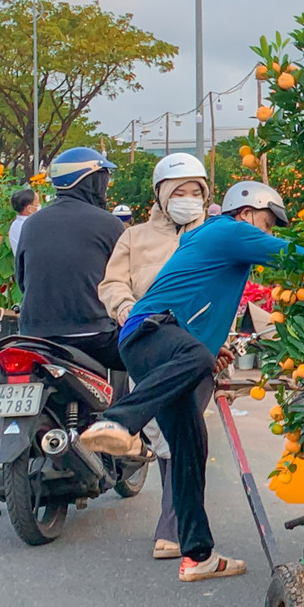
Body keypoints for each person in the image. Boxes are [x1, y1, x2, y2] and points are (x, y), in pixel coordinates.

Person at [82, 181, 290, 582]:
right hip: (154, 331)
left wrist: (210, 349)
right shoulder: (231, 230)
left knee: (190, 448)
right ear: (247, 213)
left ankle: (198, 555)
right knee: (196, 357)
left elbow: (194, 302)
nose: (267, 233)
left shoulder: (212, 241)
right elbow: (300, 258)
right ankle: (118, 421)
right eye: (267, 224)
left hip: (154, 345)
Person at [98, 153, 211, 560]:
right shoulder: (134, 237)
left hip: (198, 345)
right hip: (148, 339)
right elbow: (112, 283)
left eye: (195, 192)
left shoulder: (213, 233)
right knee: (169, 434)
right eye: (179, 192)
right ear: (161, 195)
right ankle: (184, 535)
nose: (188, 199)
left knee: (181, 430)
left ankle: (175, 530)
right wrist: (124, 307)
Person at [14, 148, 126, 371]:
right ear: (91, 182)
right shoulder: (109, 223)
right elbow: (125, 279)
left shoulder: (31, 223)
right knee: (147, 356)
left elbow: (22, 280)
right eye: (103, 179)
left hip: (34, 335)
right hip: (94, 335)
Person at [8, 189, 39, 254]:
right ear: (29, 208)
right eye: (37, 202)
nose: (39, 205)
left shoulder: (15, 225)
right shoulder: (30, 226)